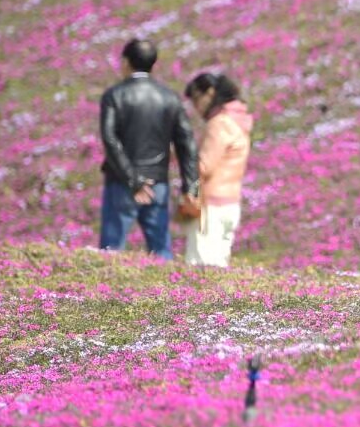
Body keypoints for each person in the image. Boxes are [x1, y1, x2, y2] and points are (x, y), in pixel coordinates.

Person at [98, 38, 198, 259]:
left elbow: (110, 140)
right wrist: (190, 188)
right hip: (157, 185)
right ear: (153, 65)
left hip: (121, 184)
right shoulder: (169, 98)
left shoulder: (114, 96)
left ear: (125, 62)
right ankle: (169, 293)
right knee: (161, 250)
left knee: (111, 251)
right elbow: (187, 144)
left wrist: (133, 180)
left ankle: (106, 293)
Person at [183, 72, 255, 268]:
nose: (196, 107)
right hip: (230, 203)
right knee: (219, 267)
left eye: (197, 99)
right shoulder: (238, 122)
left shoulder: (220, 123)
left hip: (211, 206)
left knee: (200, 266)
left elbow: (205, 166)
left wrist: (183, 157)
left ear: (211, 93)